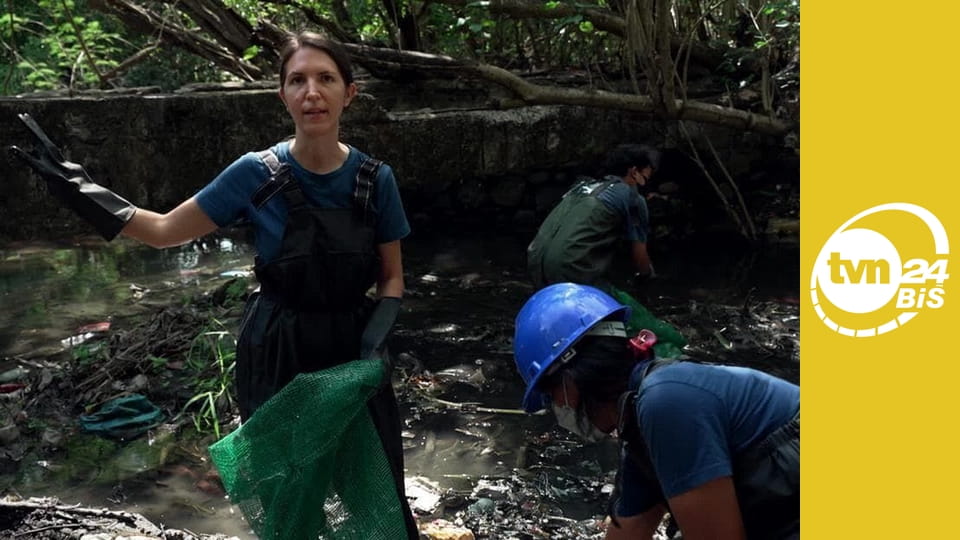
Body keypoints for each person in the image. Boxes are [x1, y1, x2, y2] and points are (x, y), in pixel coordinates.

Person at [10, 32, 419, 538]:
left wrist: (376, 340)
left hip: (353, 349)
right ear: (283, 96)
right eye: (298, 80)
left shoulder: (375, 180)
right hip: (276, 351)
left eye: (326, 78)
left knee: (375, 487)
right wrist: (84, 193)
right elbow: (162, 231)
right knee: (287, 490)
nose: (312, 91)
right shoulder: (256, 173)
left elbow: (393, 278)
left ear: (348, 93)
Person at [513, 283, 800, 540]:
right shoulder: (640, 432)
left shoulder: (666, 402)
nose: (558, 408)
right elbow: (629, 530)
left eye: (552, 397)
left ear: (570, 379)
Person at [527, 143, 658, 290]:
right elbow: (639, 255)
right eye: (645, 178)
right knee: (628, 307)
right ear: (634, 172)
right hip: (569, 268)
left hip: (535, 261)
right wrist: (648, 276)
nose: (645, 185)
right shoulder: (633, 198)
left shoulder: (582, 186)